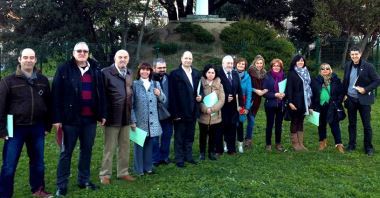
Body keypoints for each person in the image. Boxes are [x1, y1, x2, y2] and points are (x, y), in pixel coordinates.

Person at [52, 42, 107, 196]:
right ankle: (61, 185)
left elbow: (101, 93)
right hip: (70, 120)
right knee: (66, 152)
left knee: (87, 150)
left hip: (89, 119)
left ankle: (84, 180)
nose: (82, 53)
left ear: (88, 53)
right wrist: (57, 118)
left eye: (85, 51)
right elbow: (56, 94)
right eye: (79, 51)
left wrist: (103, 113)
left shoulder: (95, 69)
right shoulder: (64, 69)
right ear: (73, 52)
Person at [0, 48, 51, 198]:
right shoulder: (7, 81)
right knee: (9, 165)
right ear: (19, 59)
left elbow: (49, 104)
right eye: (25, 57)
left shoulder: (42, 80)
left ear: (35, 60)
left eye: (31, 57)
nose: (28, 60)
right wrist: (2, 130)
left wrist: (47, 126)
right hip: (13, 126)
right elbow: (0, 106)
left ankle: (38, 189)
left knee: (38, 162)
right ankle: (4, 194)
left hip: (37, 126)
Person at [99, 50, 135, 185]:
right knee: (110, 147)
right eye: (120, 57)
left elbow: (130, 93)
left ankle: (123, 172)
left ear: (128, 59)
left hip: (126, 116)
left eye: (125, 57)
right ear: (115, 58)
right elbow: (101, 95)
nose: (123, 59)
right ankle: (105, 174)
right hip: (112, 117)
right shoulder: (106, 72)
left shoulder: (130, 73)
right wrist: (102, 115)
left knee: (125, 146)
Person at [342, 46, 380, 156]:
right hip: (350, 99)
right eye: (352, 54)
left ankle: (368, 147)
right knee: (352, 124)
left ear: (360, 54)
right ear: (350, 55)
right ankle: (351, 145)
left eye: (356, 54)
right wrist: (344, 95)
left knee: (366, 125)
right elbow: (346, 81)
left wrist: (365, 89)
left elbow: (377, 80)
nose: (354, 56)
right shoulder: (348, 65)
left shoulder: (368, 66)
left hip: (364, 100)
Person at [131, 62, 166, 175]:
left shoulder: (155, 84)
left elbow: (164, 100)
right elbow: (130, 105)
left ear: (150, 71)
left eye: (147, 69)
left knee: (149, 145)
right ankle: (139, 170)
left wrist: (159, 94)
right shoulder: (135, 84)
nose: (145, 71)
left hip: (152, 121)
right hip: (139, 121)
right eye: (142, 69)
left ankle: (148, 167)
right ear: (139, 71)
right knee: (138, 146)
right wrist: (133, 120)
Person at [169, 51, 202, 168]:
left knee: (190, 135)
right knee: (179, 136)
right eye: (186, 58)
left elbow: (200, 89)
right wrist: (175, 113)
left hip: (193, 110)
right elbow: (172, 95)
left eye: (190, 58)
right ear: (181, 59)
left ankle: (188, 156)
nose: (188, 60)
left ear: (192, 60)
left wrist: (200, 96)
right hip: (180, 111)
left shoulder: (197, 73)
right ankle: (179, 158)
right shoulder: (174, 74)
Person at [311, 63, 344, 153]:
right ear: (320, 71)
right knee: (321, 125)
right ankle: (322, 142)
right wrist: (312, 107)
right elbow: (312, 95)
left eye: (327, 68)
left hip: (332, 106)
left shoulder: (336, 80)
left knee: (334, 125)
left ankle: (339, 144)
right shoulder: (316, 80)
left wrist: (337, 102)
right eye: (322, 69)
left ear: (330, 70)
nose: (325, 70)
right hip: (320, 106)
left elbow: (341, 93)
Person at [198, 64, 225, 160]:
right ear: (205, 73)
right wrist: (205, 109)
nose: (210, 74)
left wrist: (212, 109)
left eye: (212, 72)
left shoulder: (219, 84)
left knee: (213, 135)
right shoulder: (200, 83)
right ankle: (202, 153)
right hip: (203, 116)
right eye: (208, 72)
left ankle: (211, 152)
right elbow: (198, 98)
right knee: (202, 135)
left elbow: (222, 100)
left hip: (215, 116)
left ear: (215, 74)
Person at [286, 55, 312, 151]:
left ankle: (301, 144)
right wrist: (290, 102)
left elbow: (309, 87)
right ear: (295, 62)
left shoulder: (306, 72)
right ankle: (295, 144)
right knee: (295, 121)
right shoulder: (292, 73)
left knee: (301, 121)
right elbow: (289, 88)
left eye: (302, 61)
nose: (300, 62)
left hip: (305, 101)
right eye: (298, 61)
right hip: (296, 102)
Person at [218, 55, 243, 155]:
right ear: (223, 63)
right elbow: (215, 90)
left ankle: (231, 149)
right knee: (221, 128)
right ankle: (218, 150)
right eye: (228, 63)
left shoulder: (235, 74)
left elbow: (239, 90)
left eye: (232, 63)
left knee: (232, 127)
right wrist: (225, 97)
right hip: (222, 106)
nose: (230, 65)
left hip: (233, 107)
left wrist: (241, 104)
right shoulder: (218, 74)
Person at [152, 58, 173, 166]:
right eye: (159, 68)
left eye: (164, 67)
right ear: (154, 68)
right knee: (154, 138)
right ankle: (155, 158)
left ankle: (165, 156)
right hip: (154, 114)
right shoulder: (149, 80)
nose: (162, 70)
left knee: (167, 135)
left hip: (167, 113)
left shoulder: (169, 78)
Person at [262, 59, 286, 152]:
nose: (276, 67)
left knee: (279, 125)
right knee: (269, 124)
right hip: (270, 104)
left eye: (278, 66)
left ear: (281, 67)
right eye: (274, 65)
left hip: (281, 104)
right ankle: (268, 144)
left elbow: (287, 89)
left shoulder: (284, 76)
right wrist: (274, 95)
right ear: (271, 67)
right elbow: (264, 93)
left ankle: (278, 143)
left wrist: (284, 94)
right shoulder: (267, 77)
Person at [246, 55, 268, 148]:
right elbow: (246, 86)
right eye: (257, 63)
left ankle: (247, 138)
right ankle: (247, 140)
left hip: (257, 100)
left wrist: (264, 91)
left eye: (261, 63)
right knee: (249, 119)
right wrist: (256, 90)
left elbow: (266, 86)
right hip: (249, 98)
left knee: (251, 118)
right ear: (254, 63)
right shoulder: (250, 72)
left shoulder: (264, 73)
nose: (259, 65)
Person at [235, 58, 252, 153]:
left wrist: (247, 107)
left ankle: (240, 144)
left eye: (243, 64)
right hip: (232, 103)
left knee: (240, 124)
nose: (241, 65)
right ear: (236, 64)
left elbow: (249, 92)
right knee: (231, 124)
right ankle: (228, 144)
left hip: (243, 103)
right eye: (239, 63)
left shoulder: (247, 77)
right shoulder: (232, 74)